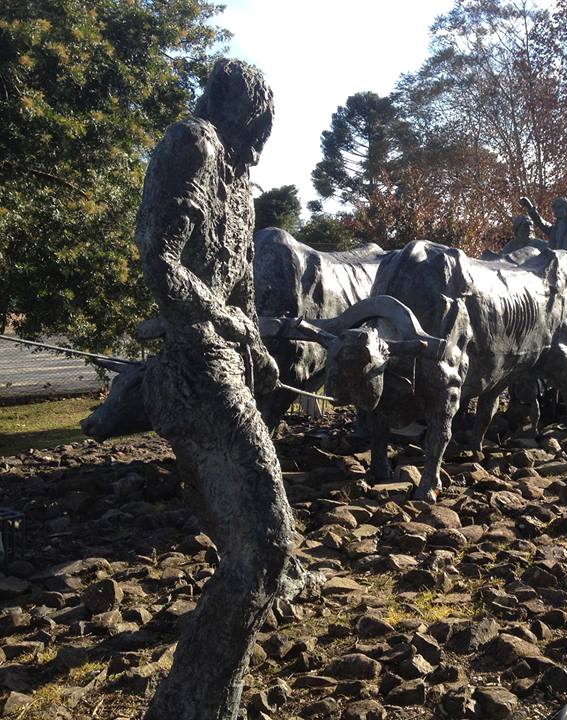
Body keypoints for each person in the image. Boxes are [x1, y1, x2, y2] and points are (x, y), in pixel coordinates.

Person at [136, 58, 295, 720]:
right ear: (245, 116)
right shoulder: (193, 144)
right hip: (191, 364)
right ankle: (187, 705)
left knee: (262, 547)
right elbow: (160, 261)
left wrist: (259, 346)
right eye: (261, 130)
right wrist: (226, 319)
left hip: (225, 362)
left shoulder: (241, 183)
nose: (261, 149)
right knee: (267, 547)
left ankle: (201, 702)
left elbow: (241, 295)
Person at [520, 195, 567, 282]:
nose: (555, 210)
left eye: (558, 207)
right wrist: (529, 207)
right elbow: (540, 222)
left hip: (565, 267)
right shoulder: (553, 229)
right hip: (551, 266)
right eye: (555, 208)